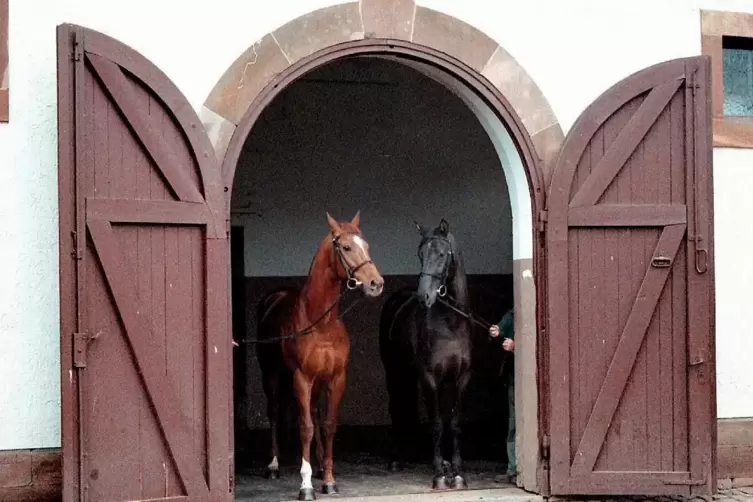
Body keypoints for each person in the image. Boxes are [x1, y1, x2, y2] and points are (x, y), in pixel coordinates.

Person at [489, 308, 516, 485]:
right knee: (513, 425)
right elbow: (499, 329)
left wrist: (515, 346)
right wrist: (496, 331)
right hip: (514, 379)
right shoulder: (512, 315)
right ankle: (513, 470)